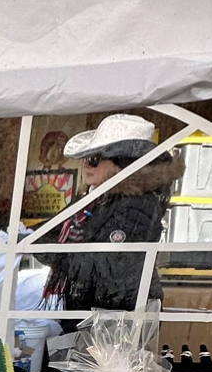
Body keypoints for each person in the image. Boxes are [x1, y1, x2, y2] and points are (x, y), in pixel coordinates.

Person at [42, 114, 184, 315]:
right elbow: (50, 231)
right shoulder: (91, 198)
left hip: (119, 320)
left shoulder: (139, 204)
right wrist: (22, 237)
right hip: (90, 312)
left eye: (94, 159)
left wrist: (51, 252)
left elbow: (109, 267)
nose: (86, 165)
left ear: (121, 164)